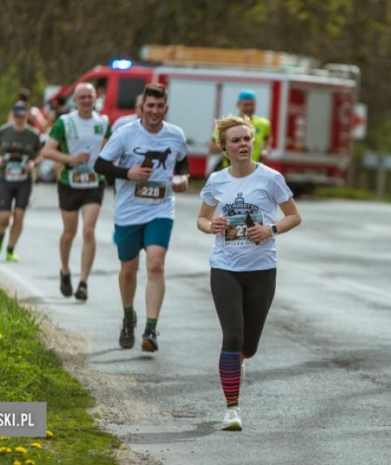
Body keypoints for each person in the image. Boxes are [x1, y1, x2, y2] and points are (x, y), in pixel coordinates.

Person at [196, 115, 302, 431]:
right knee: (232, 336)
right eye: (236, 140)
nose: (243, 144)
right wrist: (210, 226)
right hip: (224, 267)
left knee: (249, 346)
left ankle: (237, 363)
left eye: (246, 139)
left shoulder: (271, 178)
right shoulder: (216, 181)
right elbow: (201, 219)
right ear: (224, 147)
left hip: (261, 269)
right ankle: (232, 410)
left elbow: (294, 217)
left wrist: (270, 229)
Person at [94, 84, 190, 352]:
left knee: (156, 265)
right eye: (150, 106)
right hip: (128, 211)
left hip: (161, 208)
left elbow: (182, 162)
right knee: (128, 270)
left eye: (160, 107)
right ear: (142, 107)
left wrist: (182, 178)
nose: (155, 111)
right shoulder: (125, 134)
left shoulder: (175, 135)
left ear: (166, 109)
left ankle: (150, 329)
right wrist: (128, 173)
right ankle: (128, 317)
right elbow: (99, 165)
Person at [42, 82, 112, 301]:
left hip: (94, 181)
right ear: (75, 100)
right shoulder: (65, 122)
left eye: (89, 97)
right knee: (69, 232)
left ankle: (83, 283)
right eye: (81, 97)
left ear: (95, 98)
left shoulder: (103, 121)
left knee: (89, 231)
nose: (86, 101)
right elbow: (47, 151)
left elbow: (110, 147)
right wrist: (70, 159)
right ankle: (65, 270)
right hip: (69, 181)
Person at [0, 102, 42, 262]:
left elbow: (41, 153)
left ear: (27, 116)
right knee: (5, 216)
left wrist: (34, 163)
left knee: (19, 215)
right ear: (13, 115)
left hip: (24, 181)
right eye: (16, 115)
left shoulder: (33, 135)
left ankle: (10, 249)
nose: (19, 119)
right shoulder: (4, 131)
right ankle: (0, 234)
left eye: (22, 116)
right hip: (6, 179)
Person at [209, 90, 270, 170]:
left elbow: (267, 141)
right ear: (238, 105)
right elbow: (212, 147)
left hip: (254, 170)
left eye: (252, 105)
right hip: (231, 170)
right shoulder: (229, 123)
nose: (249, 108)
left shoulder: (264, 124)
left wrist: (265, 150)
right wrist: (231, 146)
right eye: (246, 105)